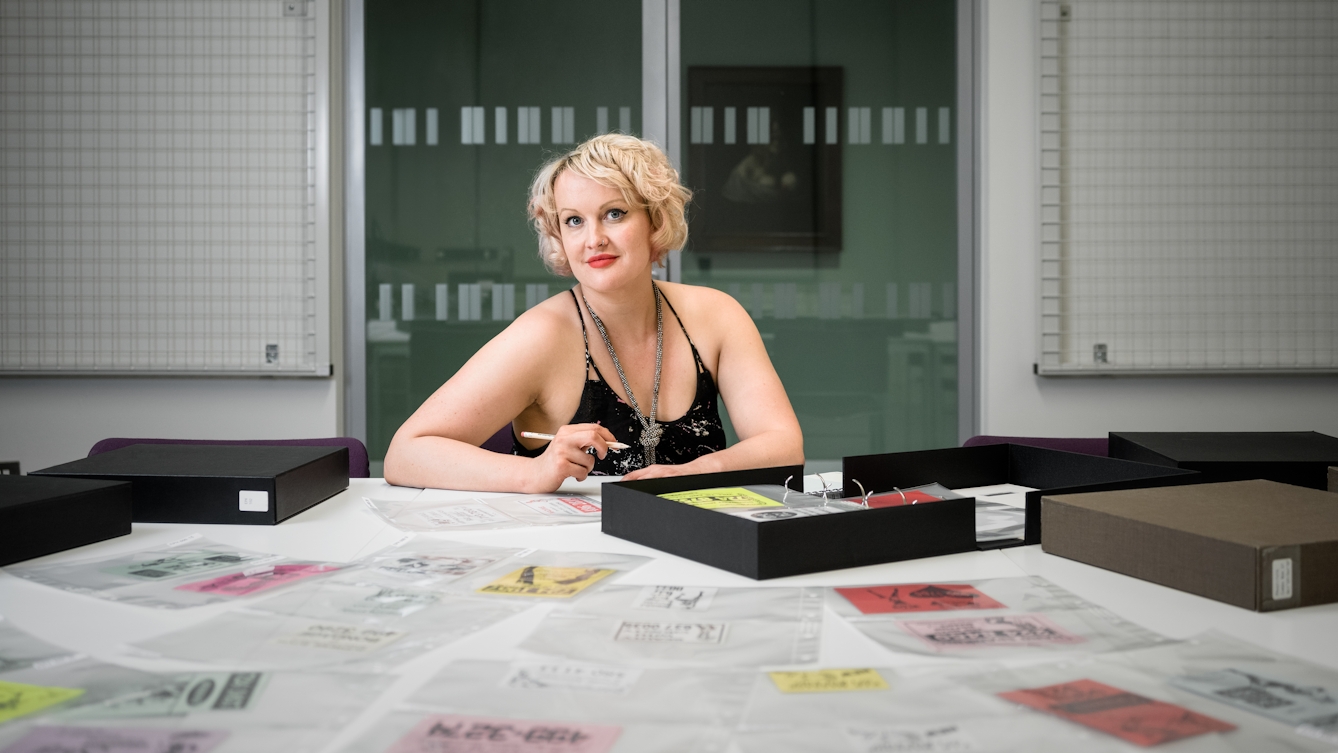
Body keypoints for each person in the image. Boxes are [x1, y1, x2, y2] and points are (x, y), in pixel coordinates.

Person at [384, 134, 803, 492]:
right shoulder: (542, 335)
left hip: (697, 545)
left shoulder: (716, 315)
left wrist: (688, 474)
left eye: (614, 214)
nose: (593, 239)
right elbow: (405, 454)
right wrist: (534, 471)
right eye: (573, 221)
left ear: (654, 221)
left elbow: (784, 445)